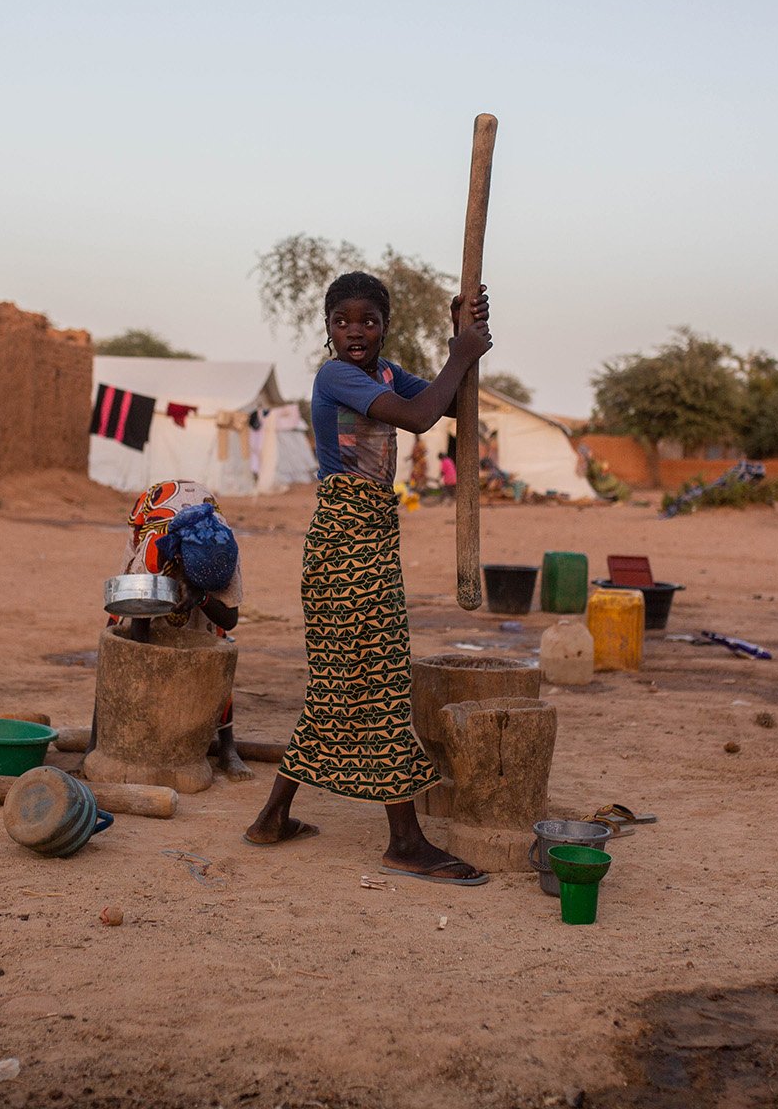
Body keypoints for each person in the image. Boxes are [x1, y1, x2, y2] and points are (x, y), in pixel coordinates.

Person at [243, 270, 493, 884]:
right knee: (378, 680)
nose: (355, 331)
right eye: (342, 321)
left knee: (337, 685)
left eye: (369, 321)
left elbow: (443, 400)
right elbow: (415, 417)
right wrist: (461, 351)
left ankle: (272, 820)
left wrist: (457, 336)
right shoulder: (335, 376)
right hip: (344, 541)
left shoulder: (385, 373)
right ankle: (404, 841)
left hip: (371, 537)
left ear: (385, 327)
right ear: (326, 329)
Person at [108, 480, 251, 781]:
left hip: (199, 550)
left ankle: (227, 747)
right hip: (154, 523)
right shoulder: (153, 551)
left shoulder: (224, 550)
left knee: (214, 640)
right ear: (180, 559)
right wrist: (146, 693)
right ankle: (98, 742)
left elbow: (229, 619)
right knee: (118, 637)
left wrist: (200, 597)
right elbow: (138, 623)